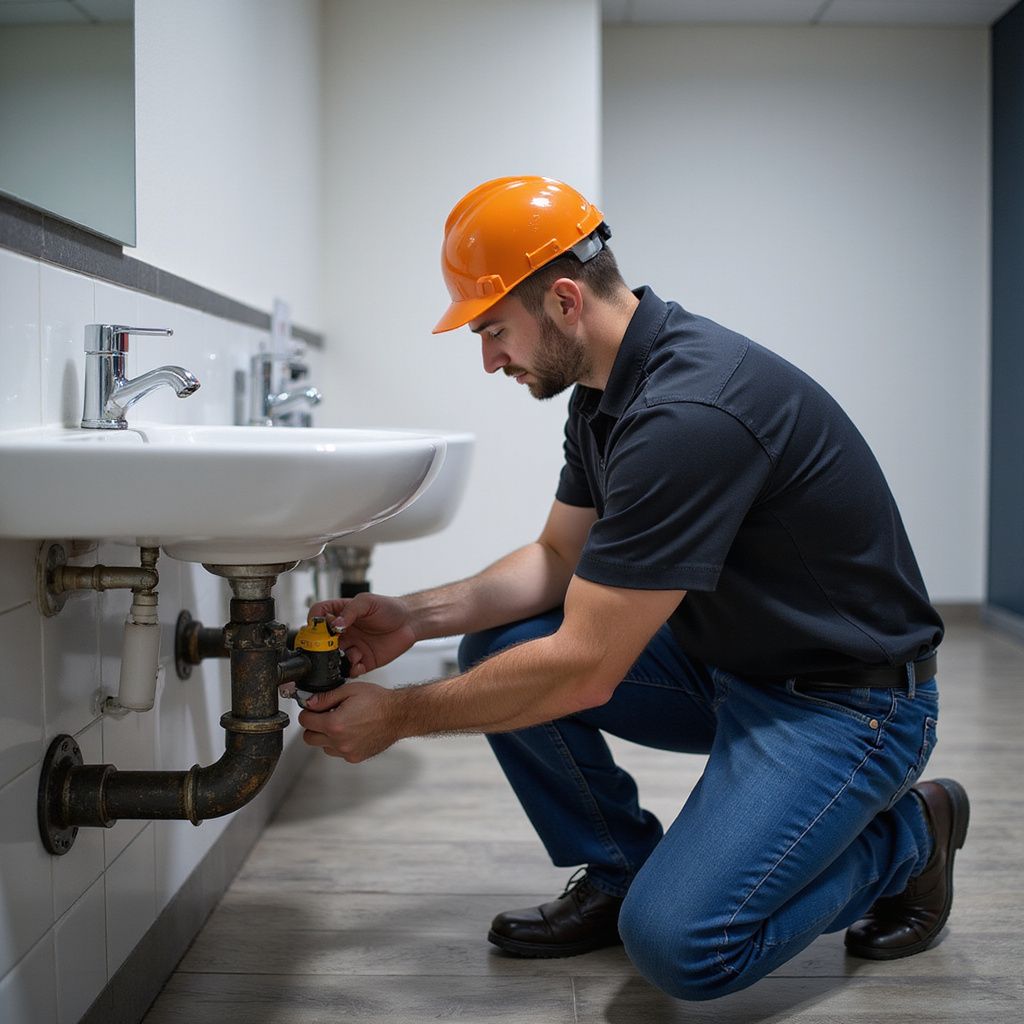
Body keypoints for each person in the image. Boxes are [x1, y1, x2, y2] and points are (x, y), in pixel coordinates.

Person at [294, 176, 970, 1001]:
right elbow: (555, 557)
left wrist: (400, 714)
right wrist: (413, 615)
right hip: (730, 667)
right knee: (499, 644)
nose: (488, 358)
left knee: (686, 948)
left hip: (846, 706)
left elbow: (585, 669)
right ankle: (620, 874)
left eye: (494, 330)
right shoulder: (604, 393)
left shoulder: (691, 412)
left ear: (566, 300)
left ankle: (911, 837)